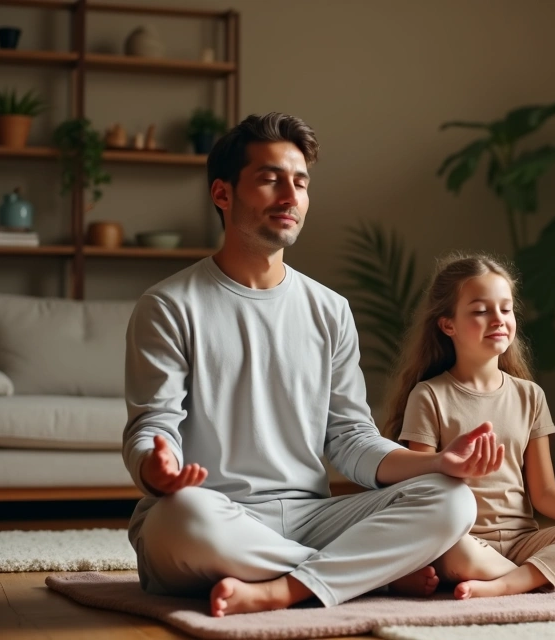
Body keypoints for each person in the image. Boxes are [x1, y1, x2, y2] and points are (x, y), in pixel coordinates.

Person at [124, 113, 499, 617]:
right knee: (180, 517)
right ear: (222, 194)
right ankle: (366, 574)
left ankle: (285, 587)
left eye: (300, 183)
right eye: (269, 178)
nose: (289, 196)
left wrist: (437, 463)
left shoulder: (329, 310)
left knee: (452, 499)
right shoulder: (168, 306)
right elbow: (151, 428)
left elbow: (351, 439)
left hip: (312, 515)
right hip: (213, 511)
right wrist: (157, 467)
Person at [388, 254, 555, 599]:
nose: (498, 319)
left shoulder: (529, 395)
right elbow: (423, 494)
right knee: (454, 551)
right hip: (463, 539)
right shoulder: (429, 396)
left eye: (506, 309)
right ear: (448, 325)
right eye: (480, 311)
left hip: (523, 541)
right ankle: (551, 576)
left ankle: (512, 581)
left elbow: (545, 493)